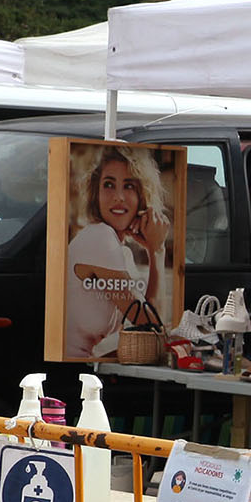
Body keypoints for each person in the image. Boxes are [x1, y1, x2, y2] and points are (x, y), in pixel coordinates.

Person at [63, 145, 171, 359]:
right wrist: (157, 249)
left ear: (142, 196)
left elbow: (148, 328)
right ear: (96, 193)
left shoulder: (123, 252)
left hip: (92, 365)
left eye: (129, 186)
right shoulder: (99, 238)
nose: (119, 197)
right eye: (109, 185)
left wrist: (154, 250)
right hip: (72, 369)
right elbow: (152, 326)